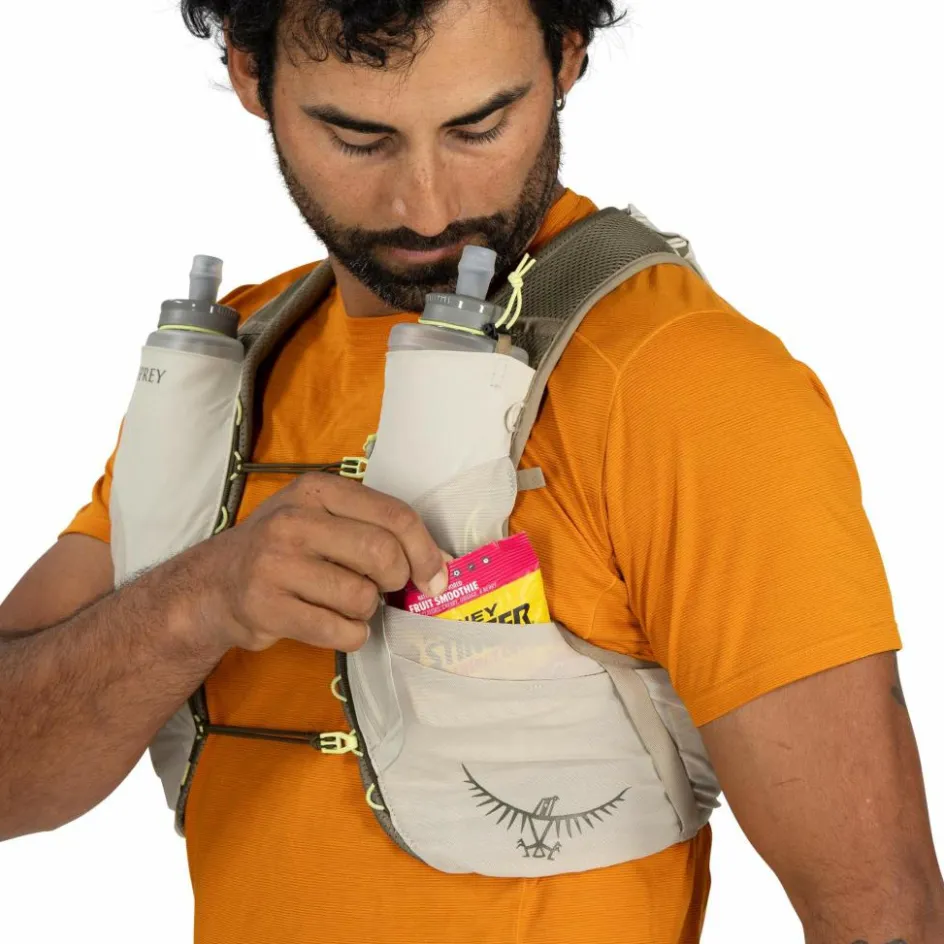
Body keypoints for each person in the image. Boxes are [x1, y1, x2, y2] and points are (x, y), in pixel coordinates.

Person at [0, 0, 941, 941]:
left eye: (479, 127)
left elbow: (875, 903)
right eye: (358, 138)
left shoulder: (678, 382)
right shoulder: (232, 374)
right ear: (252, 75)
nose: (428, 206)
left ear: (565, 56)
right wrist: (195, 601)